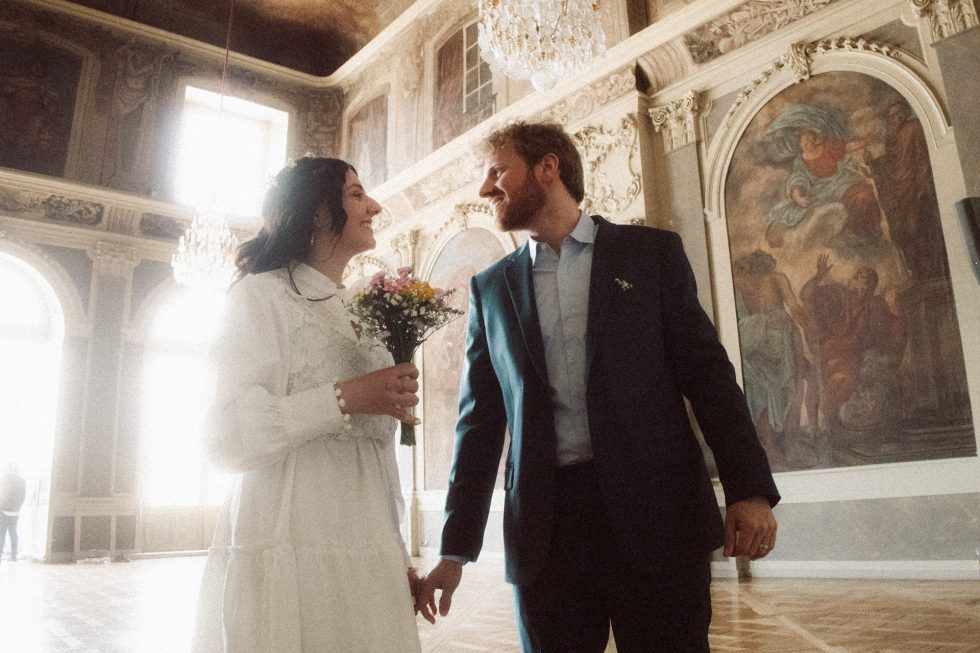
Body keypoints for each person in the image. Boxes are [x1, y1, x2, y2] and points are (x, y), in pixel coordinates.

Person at [417, 122, 780, 652]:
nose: (484, 189)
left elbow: (709, 378)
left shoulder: (650, 255)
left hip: (658, 515)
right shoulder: (491, 289)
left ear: (548, 167)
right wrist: (455, 550)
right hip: (546, 532)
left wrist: (748, 487)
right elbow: (479, 423)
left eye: (497, 171)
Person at [191, 156, 423, 653]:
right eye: (357, 194)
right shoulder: (261, 297)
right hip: (291, 529)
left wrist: (396, 553)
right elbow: (225, 436)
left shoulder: (365, 313)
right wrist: (346, 398)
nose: (374, 205)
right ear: (319, 213)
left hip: (369, 541)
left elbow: (379, 453)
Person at [0, 462, 26, 562]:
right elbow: (23, 496)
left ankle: (0, 554)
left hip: (3, 510)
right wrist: (18, 507)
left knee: (1, 533)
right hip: (15, 511)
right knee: (13, 533)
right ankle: (14, 555)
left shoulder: (4, 480)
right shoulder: (22, 481)